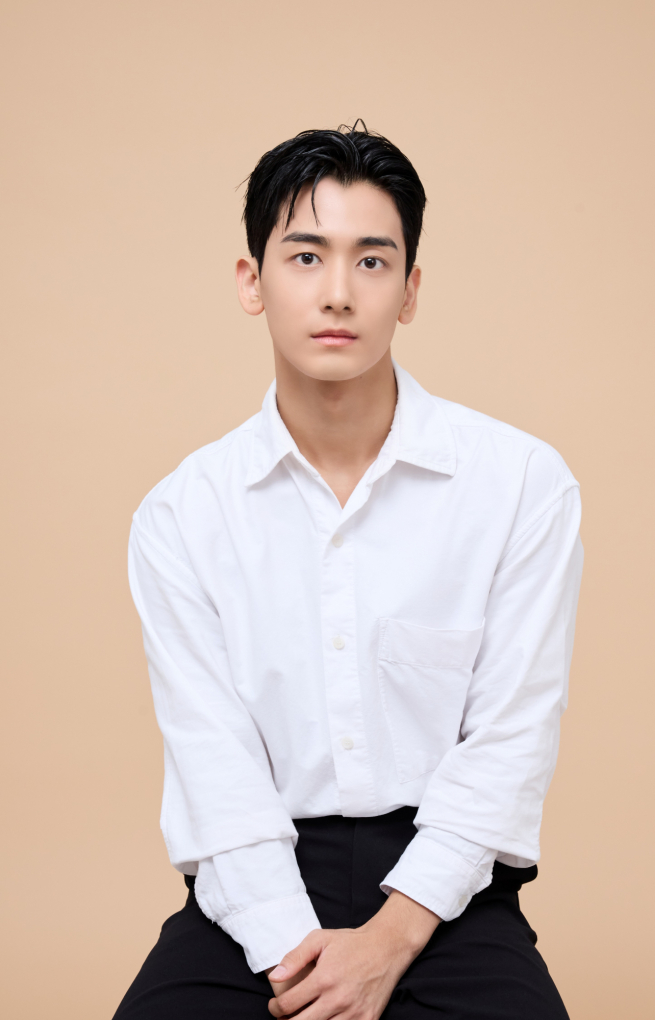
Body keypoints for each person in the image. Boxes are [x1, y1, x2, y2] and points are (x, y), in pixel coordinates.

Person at [113, 122, 583, 1020]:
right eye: (305, 257)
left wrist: (390, 939)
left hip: (446, 887)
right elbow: (215, 768)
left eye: (372, 261)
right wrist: (300, 959)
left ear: (410, 291)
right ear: (252, 282)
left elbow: (511, 739)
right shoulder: (182, 514)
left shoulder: (521, 483)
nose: (338, 292)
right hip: (255, 878)